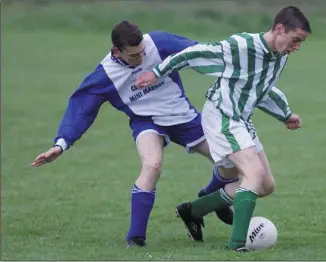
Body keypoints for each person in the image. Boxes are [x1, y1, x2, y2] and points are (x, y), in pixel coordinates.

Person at [30, 21, 243, 248]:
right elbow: (81, 110)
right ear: (116, 52)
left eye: (143, 53)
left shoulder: (158, 42)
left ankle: (208, 200)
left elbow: (198, 51)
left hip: (183, 116)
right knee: (152, 165)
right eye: (133, 56)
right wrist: (61, 143)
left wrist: (236, 59)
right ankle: (136, 238)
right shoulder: (105, 75)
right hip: (147, 122)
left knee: (231, 163)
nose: (141, 59)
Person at [135, 6, 311, 252]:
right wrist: (156, 73)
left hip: (241, 119)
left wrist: (285, 114)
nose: (297, 47)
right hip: (222, 115)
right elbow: (194, 52)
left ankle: (193, 211)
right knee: (252, 173)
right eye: (295, 40)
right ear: (280, 29)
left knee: (266, 185)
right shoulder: (241, 46)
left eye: (301, 43)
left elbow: (262, 88)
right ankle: (237, 246)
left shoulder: (279, 57)